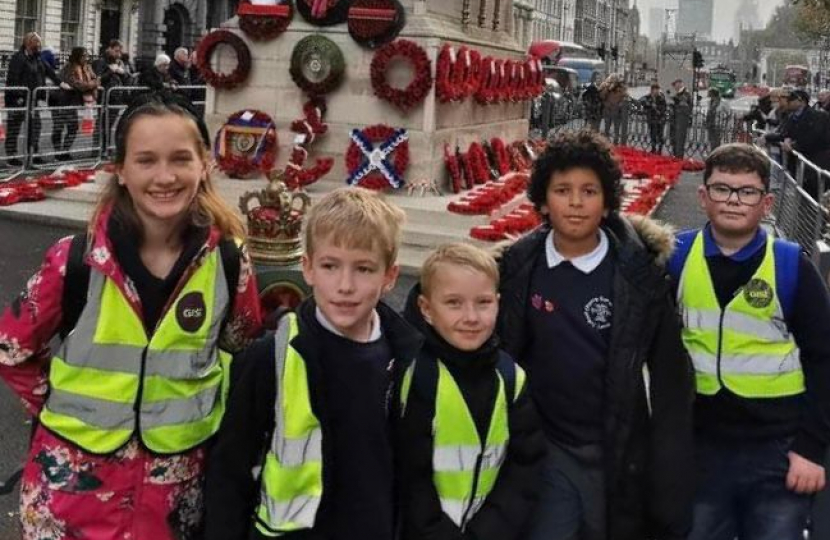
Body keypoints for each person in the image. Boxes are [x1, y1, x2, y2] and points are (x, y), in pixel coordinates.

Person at [0, 90, 263, 540]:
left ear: (205, 165)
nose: (165, 176)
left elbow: (242, 353)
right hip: (72, 498)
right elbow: (12, 348)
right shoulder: (75, 260)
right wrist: (60, 406)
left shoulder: (229, 262)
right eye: (146, 160)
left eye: (181, 159)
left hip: (176, 498)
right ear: (120, 169)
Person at [497, 130, 695, 540]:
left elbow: (670, 380)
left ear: (607, 201)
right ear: (542, 200)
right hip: (548, 445)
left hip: (615, 447)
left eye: (589, 190)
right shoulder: (517, 266)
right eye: (562, 190)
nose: (574, 202)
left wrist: (670, 474)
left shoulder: (639, 274)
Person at [203, 187, 421, 540]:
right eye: (330, 266)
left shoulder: (409, 359)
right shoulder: (270, 358)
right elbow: (230, 471)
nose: (345, 285)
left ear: (390, 277)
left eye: (364, 269)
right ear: (308, 268)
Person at [667, 143, 830, 540]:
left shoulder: (793, 266)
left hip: (777, 449)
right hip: (701, 446)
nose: (734, 201)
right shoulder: (675, 259)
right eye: (722, 189)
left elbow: (824, 360)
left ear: (767, 202)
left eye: (747, 192)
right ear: (703, 196)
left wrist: (811, 449)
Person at [398, 243, 546, 540]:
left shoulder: (510, 377)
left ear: (498, 303)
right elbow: (408, 474)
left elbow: (526, 465)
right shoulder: (416, 376)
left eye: (483, 302)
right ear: (426, 309)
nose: (471, 317)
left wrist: (488, 531)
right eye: (454, 303)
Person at [3, 32, 60, 166]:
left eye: (40, 44)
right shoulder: (19, 58)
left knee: (35, 127)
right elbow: (12, 79)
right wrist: (18, 96)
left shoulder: (38, 59)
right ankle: (11, 156)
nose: (39, 47)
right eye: (37, 44)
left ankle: (33, 154)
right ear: (28, 44)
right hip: (18, 100)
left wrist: (61, 83)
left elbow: (50, 72)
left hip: (33, 100)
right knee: (14, 128)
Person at [762, 89, 830, 199]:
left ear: (801, 101)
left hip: (817, 164)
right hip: (801, 167)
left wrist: (793, 145)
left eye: (791, 99)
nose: (787, 102)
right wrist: (766, 137)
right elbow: (784, 133)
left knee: (815, 198)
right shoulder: (792, 117)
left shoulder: (819, 116)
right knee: (804, 198)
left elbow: (814, 138)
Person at [55, 46, 100, 161]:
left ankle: (64, 151)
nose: (86, 58)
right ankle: (57, 152)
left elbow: (96, 79)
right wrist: (90, 85)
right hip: (62, 100)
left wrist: (90, 84)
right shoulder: (69, 68)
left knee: (73, 127)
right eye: (84, 56)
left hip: (74, 101)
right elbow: (76, 84)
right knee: (59, 127)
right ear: (77, 56)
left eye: (87, 56)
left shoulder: (87, 67)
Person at [92, 39, 132, 153]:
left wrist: (122, 72)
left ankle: (106, 147)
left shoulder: (119, 62)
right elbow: (98, 79)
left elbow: (128, 78)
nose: (118, 54)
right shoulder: (100, 62)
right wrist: (110, 71)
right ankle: (98, 148)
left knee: (110, 124)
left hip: (116, 97)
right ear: (109, 48)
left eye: (119, 52)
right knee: (102, 124)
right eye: (116, 51)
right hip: (104, 97)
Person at [640, 82, 668, 154]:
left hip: (660, 119)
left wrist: (657, 109)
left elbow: (664, 108)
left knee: (660, 135)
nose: (656, 91)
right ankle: (653, 149)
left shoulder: (661, 97)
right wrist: (649, 104)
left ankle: (660, 150)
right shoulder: (648, 97)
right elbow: (641, 101)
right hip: (651, 119)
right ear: (652, 90)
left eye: (657, 89)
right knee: (652, 134)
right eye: (655, 89)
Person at [599, 74, 628, 145]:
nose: (614, 80)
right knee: (607, 128)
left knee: (616, 129)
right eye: (612, 79)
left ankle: (615, 143)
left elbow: (625, 96)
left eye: (615, 79)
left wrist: (621, 103)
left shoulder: (621, 87)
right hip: (607, 110)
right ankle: (605, 143)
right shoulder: (605, 85)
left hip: (617, 110)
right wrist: (608, 89)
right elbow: (601, 96)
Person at [670, 78, 693, 158]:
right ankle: (675, 154)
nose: (674, 87)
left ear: (680, 84)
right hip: (675, 118)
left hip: (681, 118)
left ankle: (679, 157)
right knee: (673, 138)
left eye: (675, 85)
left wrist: (675, 100)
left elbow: (684, 103)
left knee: (679, 138)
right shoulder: (678, 93)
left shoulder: (685, 93)